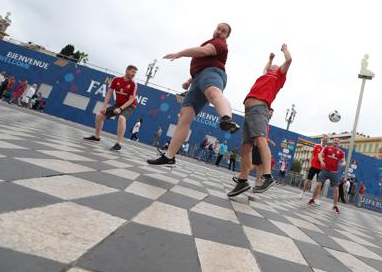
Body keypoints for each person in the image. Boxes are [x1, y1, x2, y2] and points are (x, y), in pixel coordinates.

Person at [148, 23, 239, 166]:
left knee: (213, 92)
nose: (219, 32)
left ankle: (227, 119)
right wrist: (189, 81)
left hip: (213, 72)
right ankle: (169, 156)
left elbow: (204, 52)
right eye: (218, 28)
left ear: (226, 37)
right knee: (185, 116)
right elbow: (202, 64)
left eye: (223, 31)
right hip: (198, 78)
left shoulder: (219, 43)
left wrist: (180, 53)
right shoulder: (213, 41)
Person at [227, 45, 292, 197]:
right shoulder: (265, 75)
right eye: (271, 67)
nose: (273, 67)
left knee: (261, 140)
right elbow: (266, 68)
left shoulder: (278, 77)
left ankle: (268, 177)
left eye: (275, 66)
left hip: (259, 109)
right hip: (249, 112)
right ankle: (243, 180)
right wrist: (270, 59)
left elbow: (289, 60)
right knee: (245, 146)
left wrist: (284, 49)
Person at [83, 65, 138, 151]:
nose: (134, 74)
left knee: (121, 118)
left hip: (129, 106)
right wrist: (104, 106)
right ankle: (97, 137)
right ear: (127, 70)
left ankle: (118, 144)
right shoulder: (116, 80)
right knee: (99, 115)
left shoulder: (133, 84)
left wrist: (120, 109)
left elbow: (131, 100)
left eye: (135, 72)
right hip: (118, 104)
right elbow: (109, 93)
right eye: (132, 72)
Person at [307, 137, 346, 214]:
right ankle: (313, 199)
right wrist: (321, 161)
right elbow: (319, 155)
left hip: (334, 172)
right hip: (325, 170)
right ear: (332, 142)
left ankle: (335, 206)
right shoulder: (327, 148)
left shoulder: (341, 152)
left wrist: (343, 164)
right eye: (335, 140)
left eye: (337, 141)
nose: (336, 141)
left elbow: (344, 161)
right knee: (318, 184)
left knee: (336, 189)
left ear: (339, 143)